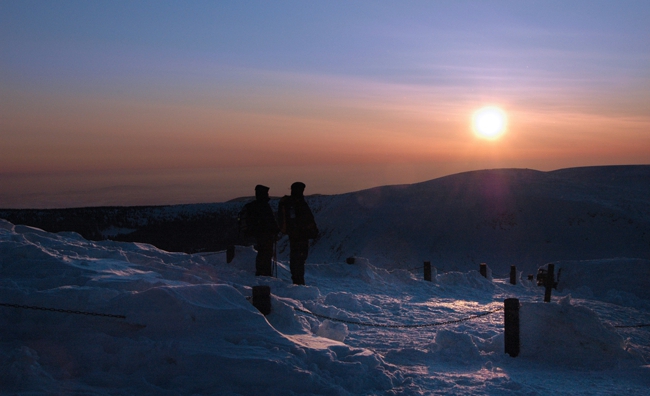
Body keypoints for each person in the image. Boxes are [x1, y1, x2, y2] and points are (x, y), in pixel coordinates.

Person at [278, 182, 318, 285]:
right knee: (299, 259)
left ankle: (297, 280)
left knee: (296, 259)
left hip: (295, 236)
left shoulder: (290, 203)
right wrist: (310, 230)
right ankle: (298, 282)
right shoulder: (298, 203)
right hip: (300, 236)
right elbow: (306, 219)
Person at [244, 185, 280, 277]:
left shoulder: (255, 206)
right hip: (266, 234)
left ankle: (261, 271)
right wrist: (275, 230)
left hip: (259, 234)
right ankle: (265, 272)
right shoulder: (264, 206)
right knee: (266, 253)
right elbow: (270, 220)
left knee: (262, 252)